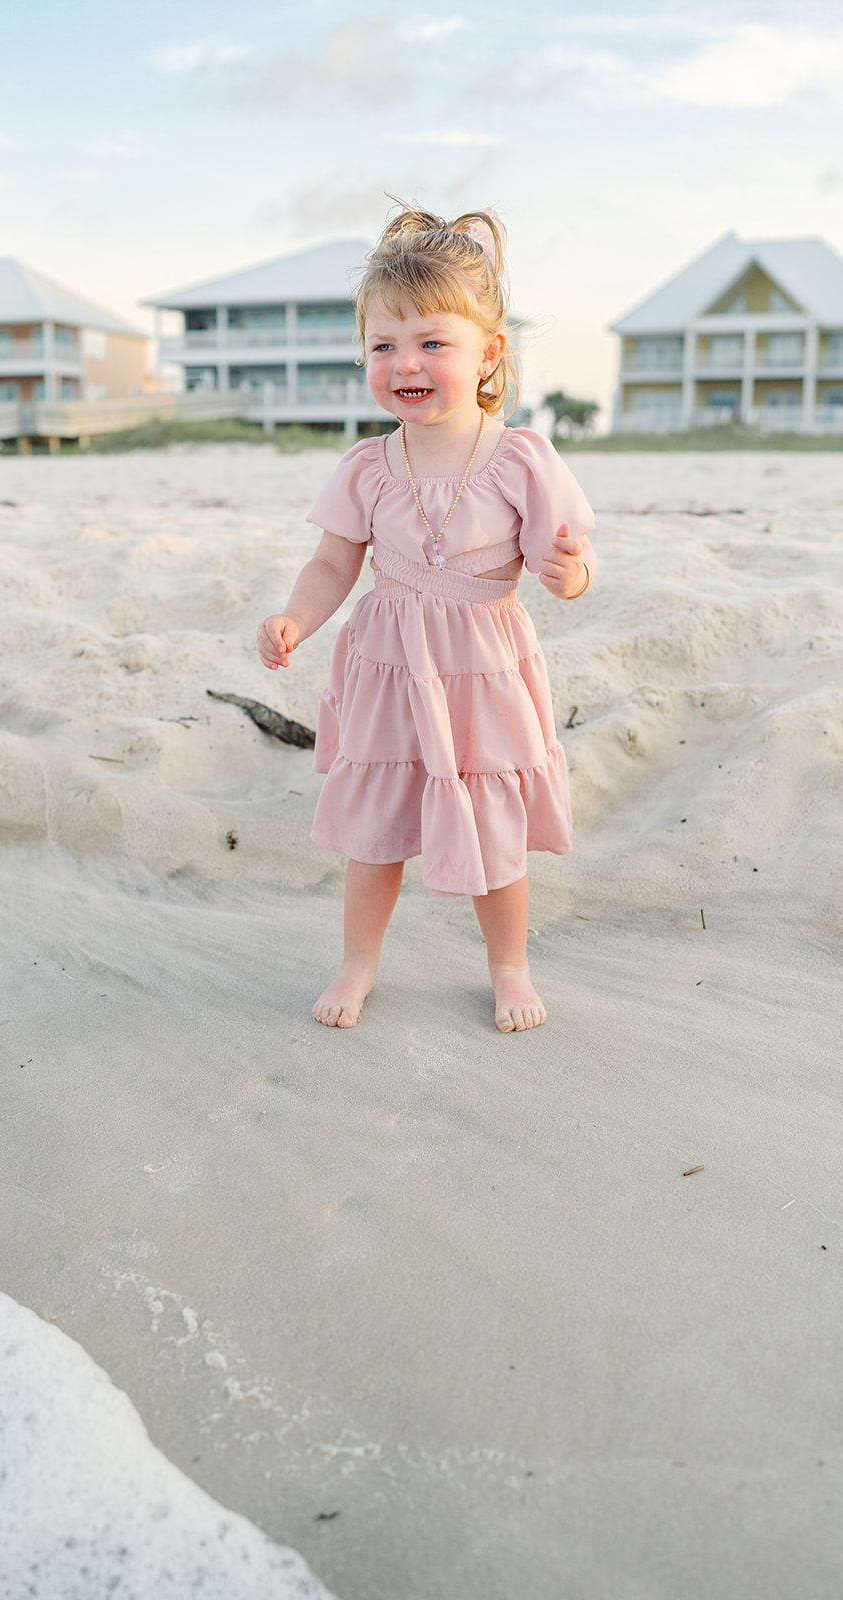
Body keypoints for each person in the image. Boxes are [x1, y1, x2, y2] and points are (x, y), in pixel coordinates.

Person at [257, 206, 596, 1033]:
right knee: (374, 829)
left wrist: (571, 573)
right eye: (383, 345)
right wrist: (296, 617)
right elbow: (335, 563)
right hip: (388, 667)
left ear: (489, 353)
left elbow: (573, 560)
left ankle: (508, 964)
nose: (405, 362)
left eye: (432, 343)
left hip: (482, 669)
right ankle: (358, 960)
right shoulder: (369, 465)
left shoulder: (519, 458)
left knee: (490, 820)